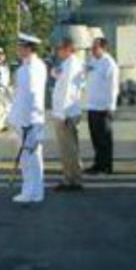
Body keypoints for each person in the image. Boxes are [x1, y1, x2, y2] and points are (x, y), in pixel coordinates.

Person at [8, 33, 47, 203]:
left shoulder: (33, 68)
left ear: (28, 48)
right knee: (29, 158)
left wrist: (29, 121)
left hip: (29, 120)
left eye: (20, 46)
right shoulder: (26, 67)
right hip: (24, 119)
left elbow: (33, 96)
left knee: (31, 158)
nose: (18, 49)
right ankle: (32, 191)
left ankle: (32, 192)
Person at [51, 36, 86, 192]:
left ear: (67, 49)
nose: (57, 52)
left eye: (59, 49)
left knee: (68, 148)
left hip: (66, 113)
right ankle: (71, 177)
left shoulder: (71, 64)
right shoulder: (69, 63)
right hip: (66, 111)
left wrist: (63, 114)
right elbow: (61, 77)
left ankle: (72, 179)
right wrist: (54, 72)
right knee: (69, 147)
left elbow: (67, 91)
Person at [84, 34, 120, 175]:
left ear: (103, 48)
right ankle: (98, 164)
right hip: (92, 104)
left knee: (104, 138)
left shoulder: (109, 64)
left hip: (103, 106)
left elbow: (113, 87)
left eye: (95, 47)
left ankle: (107, 165)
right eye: (91, 47)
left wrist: (111, 106)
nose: (92, 50)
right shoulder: (93, 61)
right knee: (95, 137)